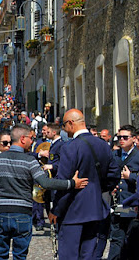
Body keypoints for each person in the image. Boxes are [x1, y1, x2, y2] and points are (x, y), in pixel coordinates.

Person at [0, 124, 88, 259]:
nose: (32, 141)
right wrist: (71, 183)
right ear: (22, 139)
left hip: (2, 211)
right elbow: (45, 182)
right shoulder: (30, 160)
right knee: (20, 255)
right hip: (22, 212)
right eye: (30, 138)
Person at [49, 109, 120, 260]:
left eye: (64, 125)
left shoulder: (69, 147)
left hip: (72, 210)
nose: (64, 130)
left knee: (69, 255)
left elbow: (63, 182)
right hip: (94, 208)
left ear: (70, 123)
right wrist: (97, 188)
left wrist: (56, 209)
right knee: (88, 255)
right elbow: (114, 174)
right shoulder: (103, 145)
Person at [108, 125, 139, 260]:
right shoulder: (114, 154)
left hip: (131, 203)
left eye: (125, 137)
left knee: (131, 239)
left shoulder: (137, 156)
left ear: (133, 139)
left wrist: (130, 176)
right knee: (116, 237)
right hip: (117, 203)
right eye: (119, 137)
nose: (121, 140)